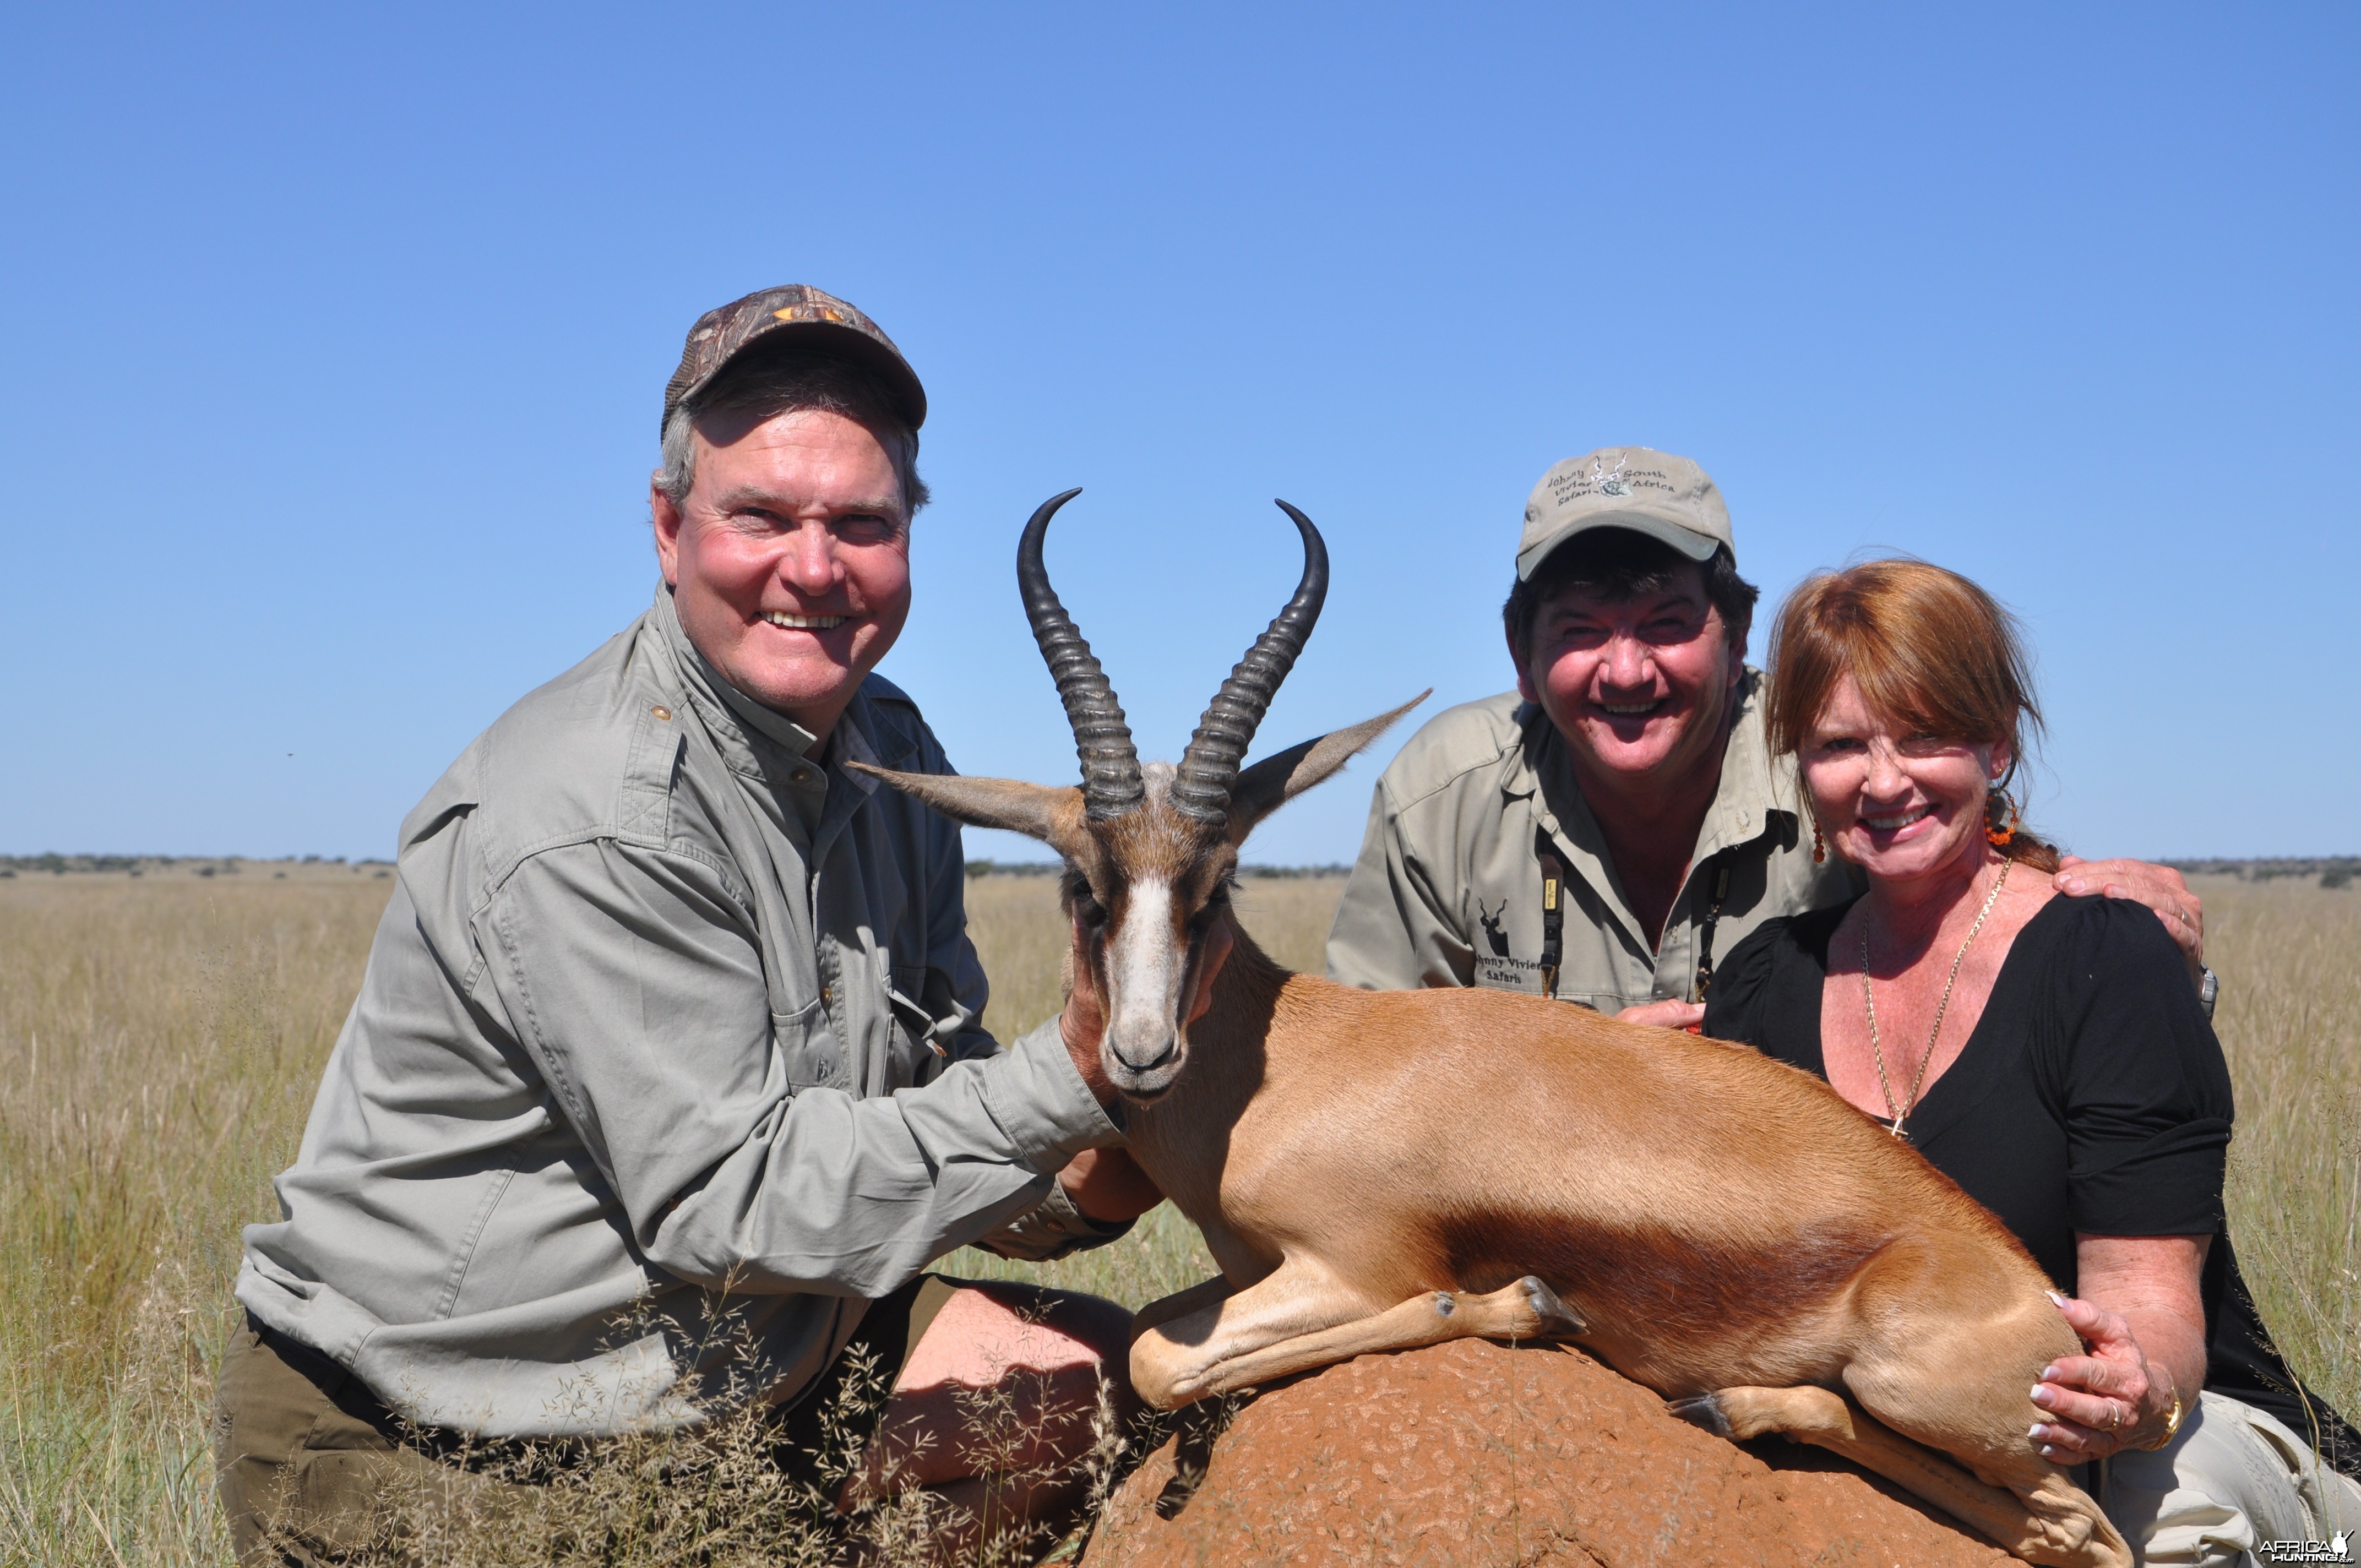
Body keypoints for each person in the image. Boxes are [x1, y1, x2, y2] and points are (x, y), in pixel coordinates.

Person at [214, 285, 1162, 1563]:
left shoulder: (891, 752)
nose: (814, 567)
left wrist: (1146, 1127)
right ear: (669, 529)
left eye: (861, 523)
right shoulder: (598, 812)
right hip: (450, 1431)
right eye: (760, 514)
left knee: (1103, 1373)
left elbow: (932, 1089)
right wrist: (1084, 1071)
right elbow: (740, 1200)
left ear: (906, 542)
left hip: (749, 1359)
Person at [1701, 559, 2360, 1561]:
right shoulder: (1762, 989)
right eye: (1841, 746)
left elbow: (2151, 1306)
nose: (1884, 782)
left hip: (2178, 1429)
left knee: (2159, 1519)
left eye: (1925, 736)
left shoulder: (2105, 960)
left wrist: (2137, 1389)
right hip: (1927, 1439)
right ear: (1801, 764)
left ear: (1998, 741)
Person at [1324, 445, 2211, 1026]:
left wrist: (2135, 950)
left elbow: (2000, 903)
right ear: (1521, 653)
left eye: (1667, 622)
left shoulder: (1838, 764)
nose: (1626, 670)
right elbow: (1361, 1076)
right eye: (1581, 629)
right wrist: (1578, 1083)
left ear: (1739, 638)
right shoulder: (1442, 791)